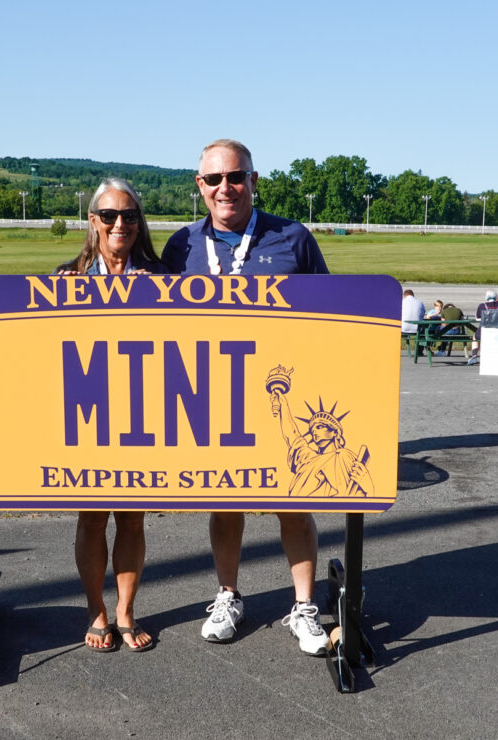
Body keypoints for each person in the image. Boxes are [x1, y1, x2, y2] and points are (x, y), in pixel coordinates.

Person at [162, 139, 330, 656]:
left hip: (283, 393)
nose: (225, 188)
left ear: (253, 180)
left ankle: (304, 605)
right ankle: (228, 595)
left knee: (293, 503)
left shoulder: (293, 238)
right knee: (225, 500)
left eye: (235, 177)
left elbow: (331, 315)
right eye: (214, 179)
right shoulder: (181, 245)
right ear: (200, 185)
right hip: (214, 399)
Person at [57, 178, 164, 652]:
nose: (120, 223)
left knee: (133, 519)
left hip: (144, 413)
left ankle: (125, 611)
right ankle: (95, 610)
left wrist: (159, 299)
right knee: (92, 518)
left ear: (139, 223)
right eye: (109, 215)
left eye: (129, 215)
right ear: (93, 221)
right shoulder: (68, 278)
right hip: (89, 413)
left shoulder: (163, 276)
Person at [468, 289, 498, 365]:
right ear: (495, 297)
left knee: (475, 337)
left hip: (484, 329)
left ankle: (474, 356)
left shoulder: (482, 305)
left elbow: (477, 318)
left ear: (486, 297)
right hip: (497, 329)